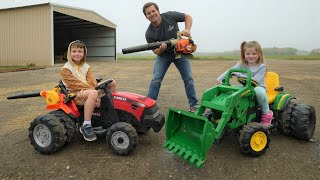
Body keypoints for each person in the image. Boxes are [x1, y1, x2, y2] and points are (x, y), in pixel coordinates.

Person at [142, 2, 198, 112]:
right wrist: (161, 49)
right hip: (164, 56)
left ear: (158, 10)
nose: (152, 14)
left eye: (154, 11)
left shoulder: (169, 16)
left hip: (180, 53)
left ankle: (194, 106)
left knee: (188, 79)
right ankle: (148, 107)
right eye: (149, 13)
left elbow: (188, 17)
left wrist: (187, 30)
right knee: (156, 80)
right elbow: (156, 52)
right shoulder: (149, 33)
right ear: (146, 16)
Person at [60, 40, 117, 141]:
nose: (77, 54)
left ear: (84, 53)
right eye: (74, 51)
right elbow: (75, 85)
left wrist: (97, 94)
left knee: (112, 82)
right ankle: (86, 124)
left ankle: (104, 107)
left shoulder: (86, 67)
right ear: (69, 53)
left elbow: (92, 81)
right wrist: (95, 94)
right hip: (75, 93)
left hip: (88, 90)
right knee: (93, 92)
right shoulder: (65, 69)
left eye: (80, 51)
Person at [216, 41, 273, 127]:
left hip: (257, 87)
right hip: (245, 87)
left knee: (260, 92)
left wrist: (238, 74)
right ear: (244, 55)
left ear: (259, 54)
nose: (251, 56)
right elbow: (231, 70)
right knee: (230, 90)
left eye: (254, 53)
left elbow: (255, 81)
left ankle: (266, 114)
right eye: (248, 54)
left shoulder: (262, 67)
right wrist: (220, 79)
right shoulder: (242, 64)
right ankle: (228, 113)